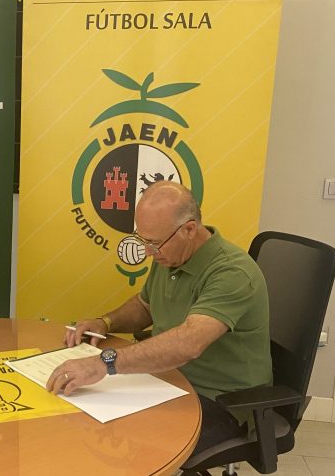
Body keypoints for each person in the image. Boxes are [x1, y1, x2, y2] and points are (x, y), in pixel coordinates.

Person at [46, 181, 272, 456]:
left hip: (221, 401)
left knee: (118, 438)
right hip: (170, 381)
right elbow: (145, 307)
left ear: (189, 230)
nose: (149, 252)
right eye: (144, 241)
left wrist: (103, 363)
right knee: (80, 416)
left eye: (153, 243)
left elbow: (188, 343)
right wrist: (105, 323)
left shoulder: (232, 273)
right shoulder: (170, 253)